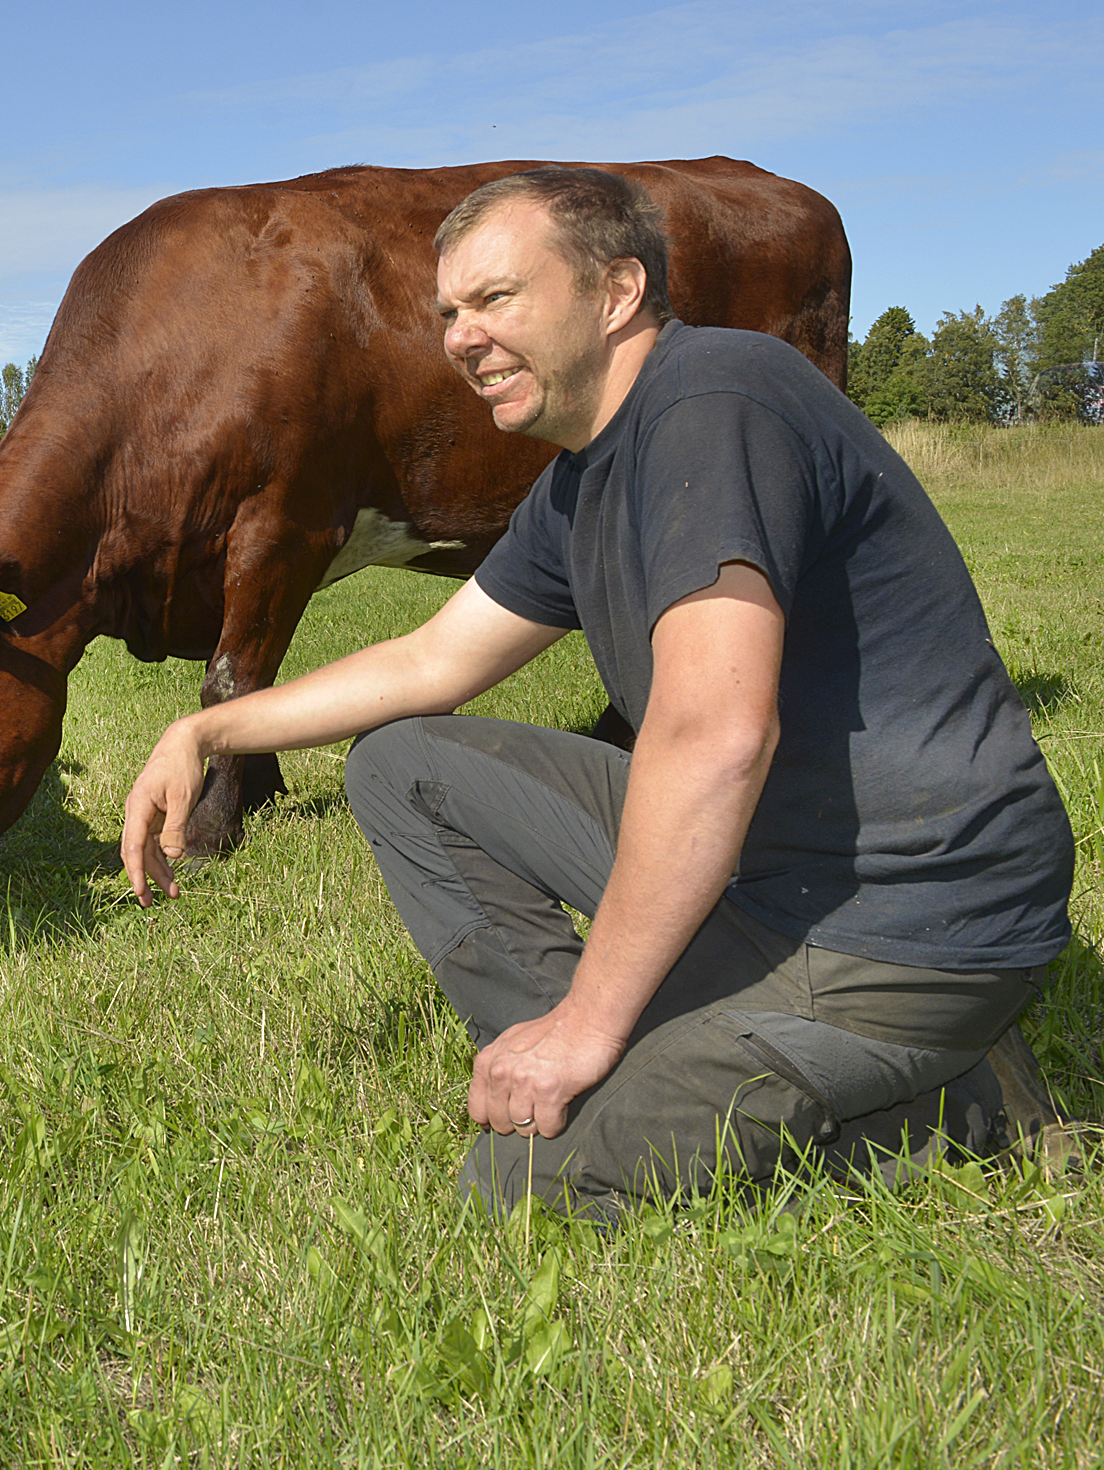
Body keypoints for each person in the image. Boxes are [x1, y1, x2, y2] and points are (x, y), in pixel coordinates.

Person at [119, 166, 1076, 1218]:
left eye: (496, 299)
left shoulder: (716, 404)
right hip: (768, 864)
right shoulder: (582, 474)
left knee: (525, 1186)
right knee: (406, 762)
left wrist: (589, 1025)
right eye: (448, 312)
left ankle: (962, 1102)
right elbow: (430, 662)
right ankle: (592, 1055)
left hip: (899, 916)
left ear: (618, 292)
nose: (460, 338)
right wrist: (208, 727)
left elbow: (716, 737)